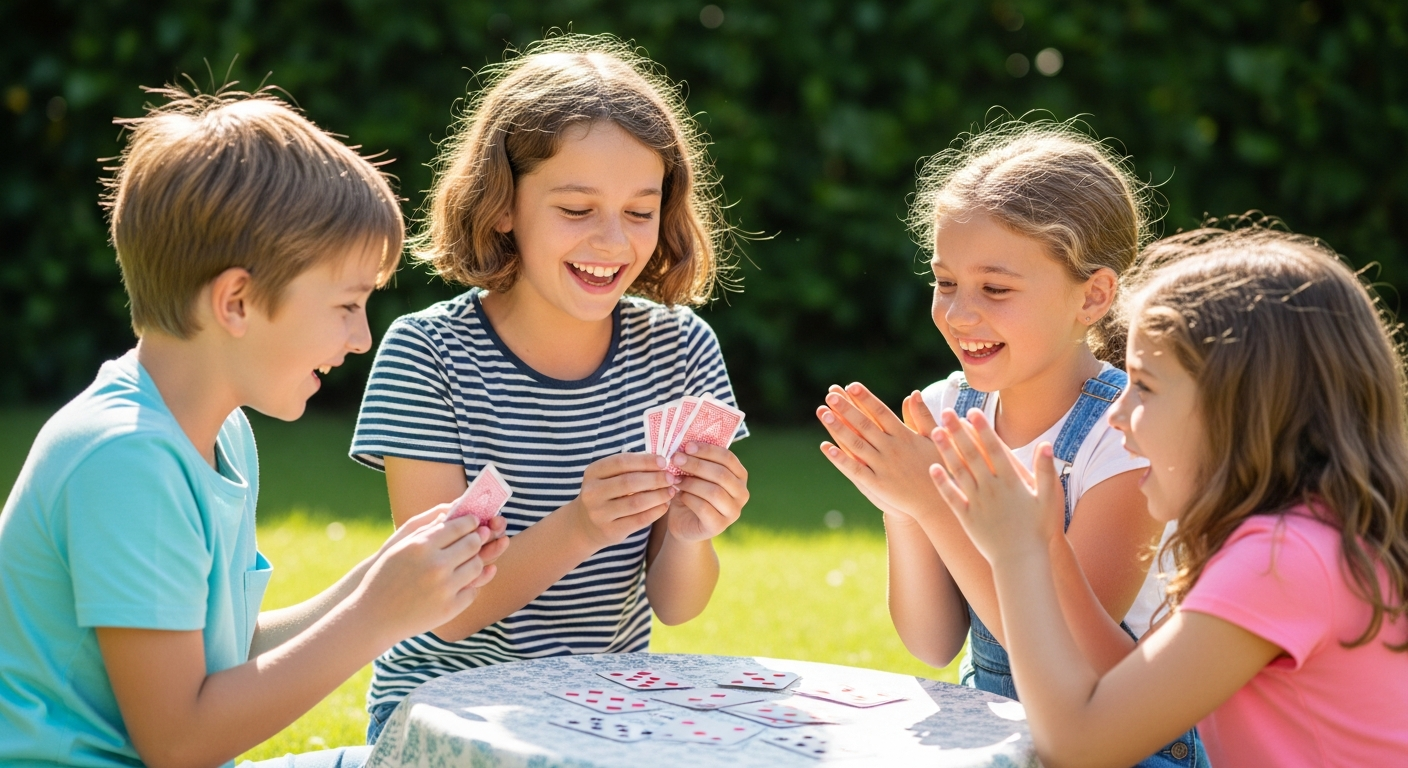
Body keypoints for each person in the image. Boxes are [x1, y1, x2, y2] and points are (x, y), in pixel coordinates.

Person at [0, 86, 509, 768]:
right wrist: (377, 614)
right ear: (236, 301)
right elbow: (179, 740)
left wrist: (382, 579)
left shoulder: (222, 435)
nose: (361, 338)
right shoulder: (126, 460)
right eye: (347, 305)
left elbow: (224, 656)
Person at [350, 34, 749, 743]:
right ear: (503, 205)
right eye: (576, 209)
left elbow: (678, 606)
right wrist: (582, 526)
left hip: (606, 714)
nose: (613, 242)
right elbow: (442, 609)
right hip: (444, 715)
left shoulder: (682, 349)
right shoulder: (427, 354)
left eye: (639, 211)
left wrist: (692, 535)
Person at [929, 224, 1408, 767]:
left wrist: (1015, 553)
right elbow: (1127, 680)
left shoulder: (1278, 560)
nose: (1116, 412)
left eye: (1145, 386)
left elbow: (1078, 748)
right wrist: (1048, 548)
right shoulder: (1305, 537)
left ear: (1238, 410)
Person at [816, 121, 1203, 764]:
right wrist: (902, 505)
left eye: (995, 289)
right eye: (945, 282)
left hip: (1125, 746)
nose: (958, 313)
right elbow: (932, 643)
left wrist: (932, 501)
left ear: (1093, 296)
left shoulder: (1128, 434)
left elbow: (1065, 657)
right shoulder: (946, 409)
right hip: (1002, 734)